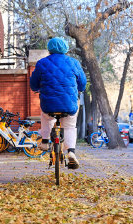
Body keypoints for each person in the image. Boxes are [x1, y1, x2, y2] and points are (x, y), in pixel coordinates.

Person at [30, 37, 87, 169]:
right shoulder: (74, 62)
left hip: (48, 104)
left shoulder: (41, 63)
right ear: (65, 48)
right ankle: (71, 152)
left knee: (46, 116)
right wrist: (78, 89)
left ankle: (44, 141)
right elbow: (82, 84)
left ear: (49, 49)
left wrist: (37, 88)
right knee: (69, 126)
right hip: (69, 105)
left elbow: (33, 84)